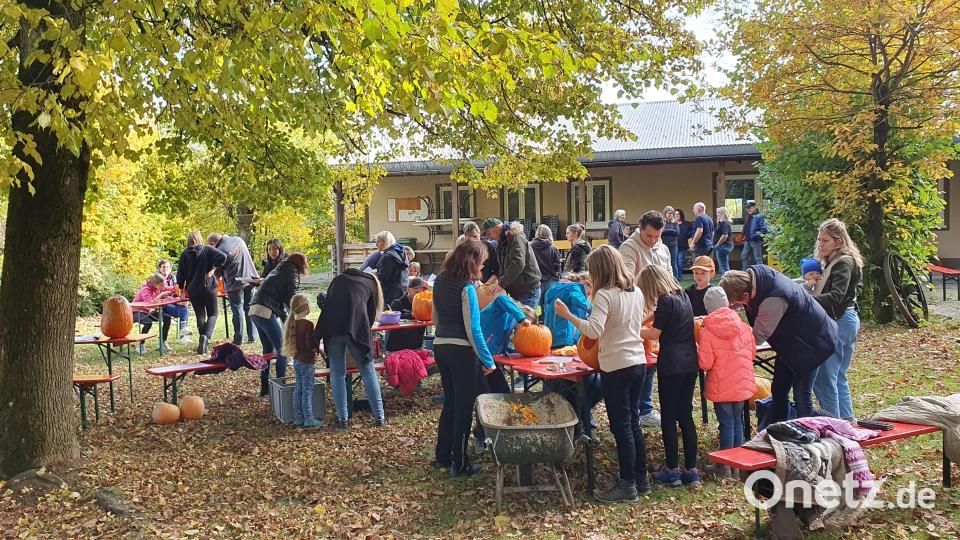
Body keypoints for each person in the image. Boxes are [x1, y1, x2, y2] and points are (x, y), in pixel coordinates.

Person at [554, 245, 650, 502]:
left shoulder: (605, 295)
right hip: (638, 362)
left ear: (599, 270)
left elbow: (593, 331)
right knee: (633, 422)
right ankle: (641, 478)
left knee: (621, 426)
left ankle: (627, 485)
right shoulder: (636, 292)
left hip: (616, 365)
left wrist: (568, 315)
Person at [720, 265, 838, 423]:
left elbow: (760, 334)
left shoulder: (773, 299)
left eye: (738, 302)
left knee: (801, 395)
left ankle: (813, 430)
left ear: (746, 294)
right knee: (779, 389)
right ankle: (779, 429)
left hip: (813, 343)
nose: (738, 306)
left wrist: (735, 348)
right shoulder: (758, 280)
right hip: (790, 343)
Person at [431, 240, 497, 476]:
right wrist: (488, 360)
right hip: (461, 351)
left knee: (450, 403)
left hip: (441, 345)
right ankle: (459, 463)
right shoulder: (466, 288)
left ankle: (442, 456)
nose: (482, 267)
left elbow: (435, 317)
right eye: (481, 262)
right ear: (471, 261)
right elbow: (473, 329)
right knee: (464, 407)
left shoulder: (439, 281)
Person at [637, 265, 701, 488]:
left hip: (671, 364)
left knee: (668, 416)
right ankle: (691, 470)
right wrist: (640, 320)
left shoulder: (665, 300)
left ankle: (672, 469)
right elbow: (657, 316)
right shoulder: (683, 296)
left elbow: (655, 333)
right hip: (690, 362)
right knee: (685, 415)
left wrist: (631, 329)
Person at [315, 267, 387, 429]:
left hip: (332, 330)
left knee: (337, 374)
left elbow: (327, 306)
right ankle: (379, 417)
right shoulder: (370, 283)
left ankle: (342, 419)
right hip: (355, 331)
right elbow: (369, 318)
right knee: (368, 371)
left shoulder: (337, 280)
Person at [619, 210, 671, 428]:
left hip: (661, 309)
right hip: (639, 311)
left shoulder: (663, 248)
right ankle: (643, 408)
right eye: (649, 236)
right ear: (640, 229)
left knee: (654, 358)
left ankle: (645, 405)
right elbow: (627, 281)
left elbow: (669, 275)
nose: (653, 240)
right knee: (642, 359)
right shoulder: (628, 249)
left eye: (657, 236)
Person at [697, 287, 756, 477]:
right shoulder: (744, 327)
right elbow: (752, 354)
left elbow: (705, 363)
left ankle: (724, 465)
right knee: (737, 422)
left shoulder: (707, 331)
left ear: (708, 308)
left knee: (726, 424)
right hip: (741, 382)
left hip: (721, 384)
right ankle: (737, 465)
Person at [811, 218, 864, 421]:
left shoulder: (843, 262)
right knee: (838, 375)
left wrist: (806, 300)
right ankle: (847, 421)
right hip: (846, 320)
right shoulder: (839, 261)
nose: (820, 244)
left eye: (825, 240)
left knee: (825, 378)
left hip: (840, 321)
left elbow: (836, 296)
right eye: (819, 240)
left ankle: (835, 424)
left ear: (839, 241)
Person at [250, 253, 308, 397]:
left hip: (254, 309)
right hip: (265, 310)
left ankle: (265, 388)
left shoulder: (279, 269)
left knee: (267, 351)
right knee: (283, 349)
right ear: (300, 264)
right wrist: (299, 317)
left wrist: (286, 319)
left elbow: (279, 299)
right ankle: (281, 386)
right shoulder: (291, 274)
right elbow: (292, 300)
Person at [177, 231, 227, 355]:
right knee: (213, 313)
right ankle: (206, 337)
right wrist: (213, 269)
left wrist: (181, 287)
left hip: (193, 288)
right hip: (209, 285)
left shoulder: (184, 254)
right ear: (200, 239)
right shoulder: (207, 249)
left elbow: (180, 274)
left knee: (200, 315)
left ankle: (202, 341)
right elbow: (223, 256)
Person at [208, 232, 260, 345]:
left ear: (213, 243)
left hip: (235, 282)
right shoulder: (239, 239)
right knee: (249, 307)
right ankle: (252, 336)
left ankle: (238, 338)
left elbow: (217, 273)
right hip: (251, 278)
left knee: (237, 310)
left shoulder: (220, 251)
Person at [482, 218, 541, 309]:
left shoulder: (515, 237)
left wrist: (501, 284)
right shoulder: (501, 242)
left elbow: (518, 264)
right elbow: (502, 267)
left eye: (490, 234)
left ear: (498, 228)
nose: (490, 238)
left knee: (525, 317)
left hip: (527, 290)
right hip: (517, 290)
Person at [282, 293, 320, 427]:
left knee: (298, 389)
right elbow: (309, 344)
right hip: (307, 362)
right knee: (307, 391)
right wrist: (317, 348)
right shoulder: (308, 324)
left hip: (297, 360)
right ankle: (309, 419)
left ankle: (298, 418)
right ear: (306, 307)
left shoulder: (292, 324)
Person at [543, 273, 591, 348]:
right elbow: (583, 303)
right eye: (588, 294)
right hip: (564, 336)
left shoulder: (561, 289)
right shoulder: (573, 287)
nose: (587, 297)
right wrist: (597, 311)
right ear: (586, 283)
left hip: (552, 337)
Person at [132, 274, 174, 354]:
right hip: (137, 311)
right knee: (148, 323)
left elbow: (172, 288)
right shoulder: (146, 289)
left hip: (148, 311)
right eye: (161, 285)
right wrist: (161, 295)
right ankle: (141, 345)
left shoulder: (159, 287)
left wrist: (178, 287)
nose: (164, 287)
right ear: (155, 284)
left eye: (165, 284)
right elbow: (149, 303)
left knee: (167, 318)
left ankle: (162, 342)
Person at [384, 277, 429, 352]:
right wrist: (412, 315)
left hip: (417, 347)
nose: (419, 295)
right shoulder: (397, 303)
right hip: (396, 348)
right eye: (416, 292)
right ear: (408, 290)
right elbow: (394, 318)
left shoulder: (425, 304)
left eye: (421, 293)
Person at [157, 259, 191, 343]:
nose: (165, 269)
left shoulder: (174, 278)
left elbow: (177, 291)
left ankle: (183, 335)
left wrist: (180, 298)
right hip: (160, 306)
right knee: (184, 310)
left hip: (171, 302)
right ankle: (183, 335)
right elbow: (160, 292)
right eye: (163, 267)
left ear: (171, 268)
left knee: (184, 307)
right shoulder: (156, 278)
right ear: (159, 268)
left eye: (167, 267)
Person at [374, 230, 409, 305]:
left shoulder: (387, 257)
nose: (376, 245)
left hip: (391, 294)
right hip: (403, 290)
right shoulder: (401, 252)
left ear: (385, 242)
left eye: (378, 242)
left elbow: (384, 277)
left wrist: (373, 275)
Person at [531, 224, 561, 307]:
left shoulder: (530, 248)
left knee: (536, 306)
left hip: (536, 280)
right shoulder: (553, 249)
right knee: (550, 306)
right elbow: (557, 266)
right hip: (551, 280)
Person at [741, 202, 767, 268]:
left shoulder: (761, 216)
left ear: (755, 208)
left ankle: (761, 272)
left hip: (756, 241)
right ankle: (745, 272)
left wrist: (757, 237)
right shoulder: (748, 216)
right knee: (744, 256)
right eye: (747, 208)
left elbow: (764, 229)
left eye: (749, 208)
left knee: (758, 258)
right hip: (747, 240)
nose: (748, 209)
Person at [661, 206, 680, 281]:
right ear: (665, 213)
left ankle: (675, 281)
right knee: (663, 262)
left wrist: (666, 231)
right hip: (663, 245)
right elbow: (661, 231)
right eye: (669, 213)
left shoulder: (675, 223)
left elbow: (677, 233)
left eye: (672, 213)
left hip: (673, 246)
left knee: (673, 263)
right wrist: (671, 231)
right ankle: (664, 280)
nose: (670, 215)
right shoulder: (662, 222)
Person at [713, 207, 733, 274]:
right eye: (717, 212)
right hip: (725, 246)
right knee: (724, 265)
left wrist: (718, 244)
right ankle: (726, 277)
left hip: (723, 246)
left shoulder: (724, 223)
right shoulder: (723, 223)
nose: (717, 214)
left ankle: (727, 278)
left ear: (723, 213)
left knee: (724, 266)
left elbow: (725, 235)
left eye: (719, 212)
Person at [676, 209, 693, 279]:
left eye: (678, 214)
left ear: (681, 215)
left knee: (680, 261)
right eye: (675, 214)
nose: (676, 215)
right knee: (674, 261)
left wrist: (688, 235)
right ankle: (674, 276)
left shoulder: (687, 224)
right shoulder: (672, 224)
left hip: (683, 245)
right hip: (673, 246)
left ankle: (679, 277)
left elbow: (693, 230)